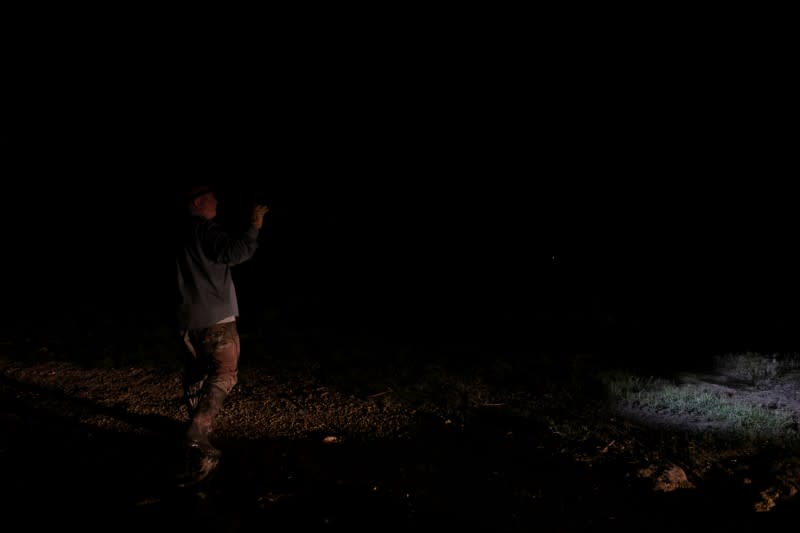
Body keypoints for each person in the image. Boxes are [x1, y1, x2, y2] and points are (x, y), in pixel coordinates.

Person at [173, 183, 269, 485]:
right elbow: (234, 252)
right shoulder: (204, 230)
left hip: (187, 319)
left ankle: (193, 438)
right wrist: (254, 227)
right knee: (224, 371)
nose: (217, 202)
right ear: (199, 201)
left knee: (197, 371)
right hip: (215, 317)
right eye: (213, 198)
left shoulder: (180, 231)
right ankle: (198, 434)